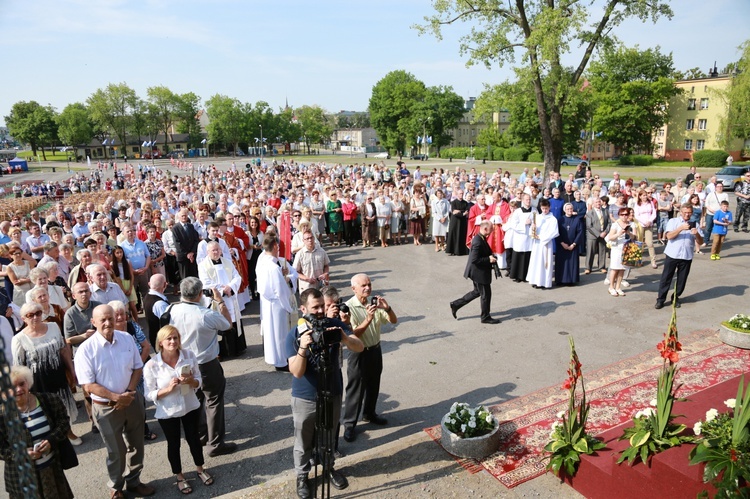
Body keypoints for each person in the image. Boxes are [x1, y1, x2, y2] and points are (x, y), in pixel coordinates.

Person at [287, 288, 363, 498]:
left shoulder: (335, 326)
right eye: (315, 307)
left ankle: (329, 468)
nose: (321, 310)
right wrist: (303, 348)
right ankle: (302, 476)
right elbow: (297, 372)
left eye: (323, 305)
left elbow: (360, 346)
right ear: (303, 309)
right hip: (305, 398)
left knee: (329, 437)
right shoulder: (294, 334)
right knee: (303, 441)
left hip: (333, 393)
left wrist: (345, 339)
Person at [74, 304, 156, 498]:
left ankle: (134, 482)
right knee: (115, 451)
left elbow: (137, 367)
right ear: (93, 322)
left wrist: (128, 393)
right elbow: (88, 385)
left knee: (137, 445)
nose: (108, 323)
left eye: (110, 318)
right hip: (106, 408)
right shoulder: (86, 350)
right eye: (103, 319)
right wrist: (115, 397)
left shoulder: (127, 339)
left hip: (132, 401)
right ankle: (116, 486)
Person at [167, 277, 238, 457]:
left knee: (193, 400)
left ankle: (200, 435)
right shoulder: (206, 314)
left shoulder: (171, 310)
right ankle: (215, 443)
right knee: (213, 400)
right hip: (205, 363)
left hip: (183, 363)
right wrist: (219, 300)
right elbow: (227, 324)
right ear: (200, 294)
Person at [144, 325, 213, 495]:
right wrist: (166, 390)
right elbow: (148, 394)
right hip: (168, 412)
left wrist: (191, 381)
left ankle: (200, 469)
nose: (173, 341)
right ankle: (180, 476)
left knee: (194, 439)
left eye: (175, 338)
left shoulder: (188, 355)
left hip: (190, 406)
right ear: (161, 342)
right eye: (169, 338)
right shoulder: (152, 365)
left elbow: (198, 380)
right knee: (173, 444)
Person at [1, 365, 75, 499]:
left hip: (51, 471)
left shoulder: (49, 400)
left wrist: (51, 440)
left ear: (28, 383)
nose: (18, 389)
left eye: (22, 384)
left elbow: (63, 423)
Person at [12, 302, 80, 445]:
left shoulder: (54, 327)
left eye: (38, 313)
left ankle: (69, 433)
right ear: (23, 318)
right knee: (46, 411)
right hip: (38, 382)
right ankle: (51, 440)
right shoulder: (18, 339)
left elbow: (63, 350)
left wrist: (72, 370)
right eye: (31, 315)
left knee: (63, 407)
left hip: (58, 376)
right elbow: (19, 367)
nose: (35, 317)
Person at [342, 273, 397, 442]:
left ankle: (370, 413)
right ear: (353, 289)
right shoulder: (348, 307)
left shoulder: (375, 303)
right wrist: (368, 318)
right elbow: (352, 335)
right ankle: (350, 424)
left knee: (374, 384)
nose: (367, 288)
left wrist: (387, 308)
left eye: (369, 285)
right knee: (355, 390)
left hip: (375, 349)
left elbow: (393, 321)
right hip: (358, 353)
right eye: (363, 286)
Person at [198, 241, 247, 358]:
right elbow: (206, 283)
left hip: (230, 297)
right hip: (216, 300)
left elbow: (237, 276)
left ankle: (236, 349)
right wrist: (222, 291)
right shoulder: (203, 265)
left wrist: (230, 287)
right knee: (219, 323)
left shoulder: (227, 262)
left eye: (217, 250)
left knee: (234, 321)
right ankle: (222, 351)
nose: (216, 252)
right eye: (213, 250)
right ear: (207, 252)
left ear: (221, 250)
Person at [257, 236, 297, 370]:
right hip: (277, 303)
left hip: (267, 303)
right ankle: (281, 362)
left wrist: (284, 274)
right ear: (274, 247)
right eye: (278, 246)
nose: (279, 249)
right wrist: (288, 306)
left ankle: (274, 358)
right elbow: (280, 290)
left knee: (272, 332)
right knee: (280, 332)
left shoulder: (262, 261)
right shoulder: (273, 267)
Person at [655, 203, 704, 309]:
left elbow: (700, 241)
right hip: (672, 254)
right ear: (681, 212)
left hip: (686, 256)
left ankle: (675, 297)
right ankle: (661, 299)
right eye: (685, 212)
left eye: (689, 213)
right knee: (666, 278)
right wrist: (680, 228)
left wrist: (697, 234)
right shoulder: (673, 221)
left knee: (682, 280)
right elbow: (669, 236)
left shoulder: (695, 224)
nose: (687, 215)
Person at [449, 221, 500, 323]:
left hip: (478, 272)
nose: (492, 231)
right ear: (485, 229)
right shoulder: (477, 241)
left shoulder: (481, 238)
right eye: (490, 229)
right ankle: (485, 317)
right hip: (479, 273)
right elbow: (474, 259)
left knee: (477, 292)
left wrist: (491, 255)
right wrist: (488, 259)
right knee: (486, 295)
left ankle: (456, 304)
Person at [527, 199, 560, 289]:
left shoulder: (553, 219)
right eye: (543, 208)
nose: (544, 210)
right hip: (537, 244)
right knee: (536, 262)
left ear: (549, 208)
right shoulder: (537, 217)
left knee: (545, 263)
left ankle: (545, 282)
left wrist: (541, 237)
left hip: (546, 244)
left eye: (546, 208)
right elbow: (532, 230)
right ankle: (535, 281)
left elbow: (554, 232)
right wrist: (532, 229)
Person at [605, 208, 632, 297]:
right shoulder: (615, 224)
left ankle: (618, 287)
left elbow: (635, 237)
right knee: (615, 268)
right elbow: (610, 237)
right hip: (617, 247)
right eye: (622, 215)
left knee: (622, 268)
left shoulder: (631, 224)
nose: (624, 216)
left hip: (626, 248)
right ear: (619, 215)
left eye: (626, 214)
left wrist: (629, 233)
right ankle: (611, 287)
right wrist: (619, 234)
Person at [508, 193, 534, 283]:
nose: (528, 201)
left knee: (528, 256)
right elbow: (513, 224)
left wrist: (532, 223)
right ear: (523, 200)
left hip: (530, 237)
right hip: (520, 237)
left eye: (530, 199)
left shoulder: (534, 210)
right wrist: (524, 224)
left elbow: (538, 221)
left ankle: (527, 275)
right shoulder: (517, 211)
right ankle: (517, 276)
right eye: (527, 199)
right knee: (519, 255)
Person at [555, 202, 583, 286]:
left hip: (572, 246)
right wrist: (562, 243)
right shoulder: (560, 220)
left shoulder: (577, 219)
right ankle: (560, 280)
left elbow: (580, 232)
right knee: (562, 263)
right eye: (568, 209)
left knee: (571, 263)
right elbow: (556, 232)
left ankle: (571, 280)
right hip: (562, 246)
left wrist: (574, 244)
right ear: (564, 210)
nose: (570, 210)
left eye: (571, 209)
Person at [584, 197, 610, 274]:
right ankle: (588, 267)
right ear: (593, 204)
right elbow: (589, 226)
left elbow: (609, 223)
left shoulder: (605, 211)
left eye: (599, 202)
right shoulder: (590, 213)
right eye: (596, 202)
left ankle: (602, 267)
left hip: (603, 234)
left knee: (602, 251)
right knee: (590, 251)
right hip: (592, 235)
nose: (598, 203)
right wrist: (599, 234)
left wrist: (605, 232)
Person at [144, 273, 170, 348]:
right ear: (165, 284)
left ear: (149, 284)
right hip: (162, 341)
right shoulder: (160, 304)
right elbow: (168, 324)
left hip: (155, 338)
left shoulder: (148, 296)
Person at [172, 208, 200, 279]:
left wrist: (192, 252)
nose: (184, 217)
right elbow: (177, 243)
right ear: (179, 217)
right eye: (182, 216)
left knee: (194, 276)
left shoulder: (190, 226)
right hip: (183, 257)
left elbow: (196, 240)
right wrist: (187, 254)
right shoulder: (175, 228)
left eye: (185, 215)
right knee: (185, 277)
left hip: (192, 256)